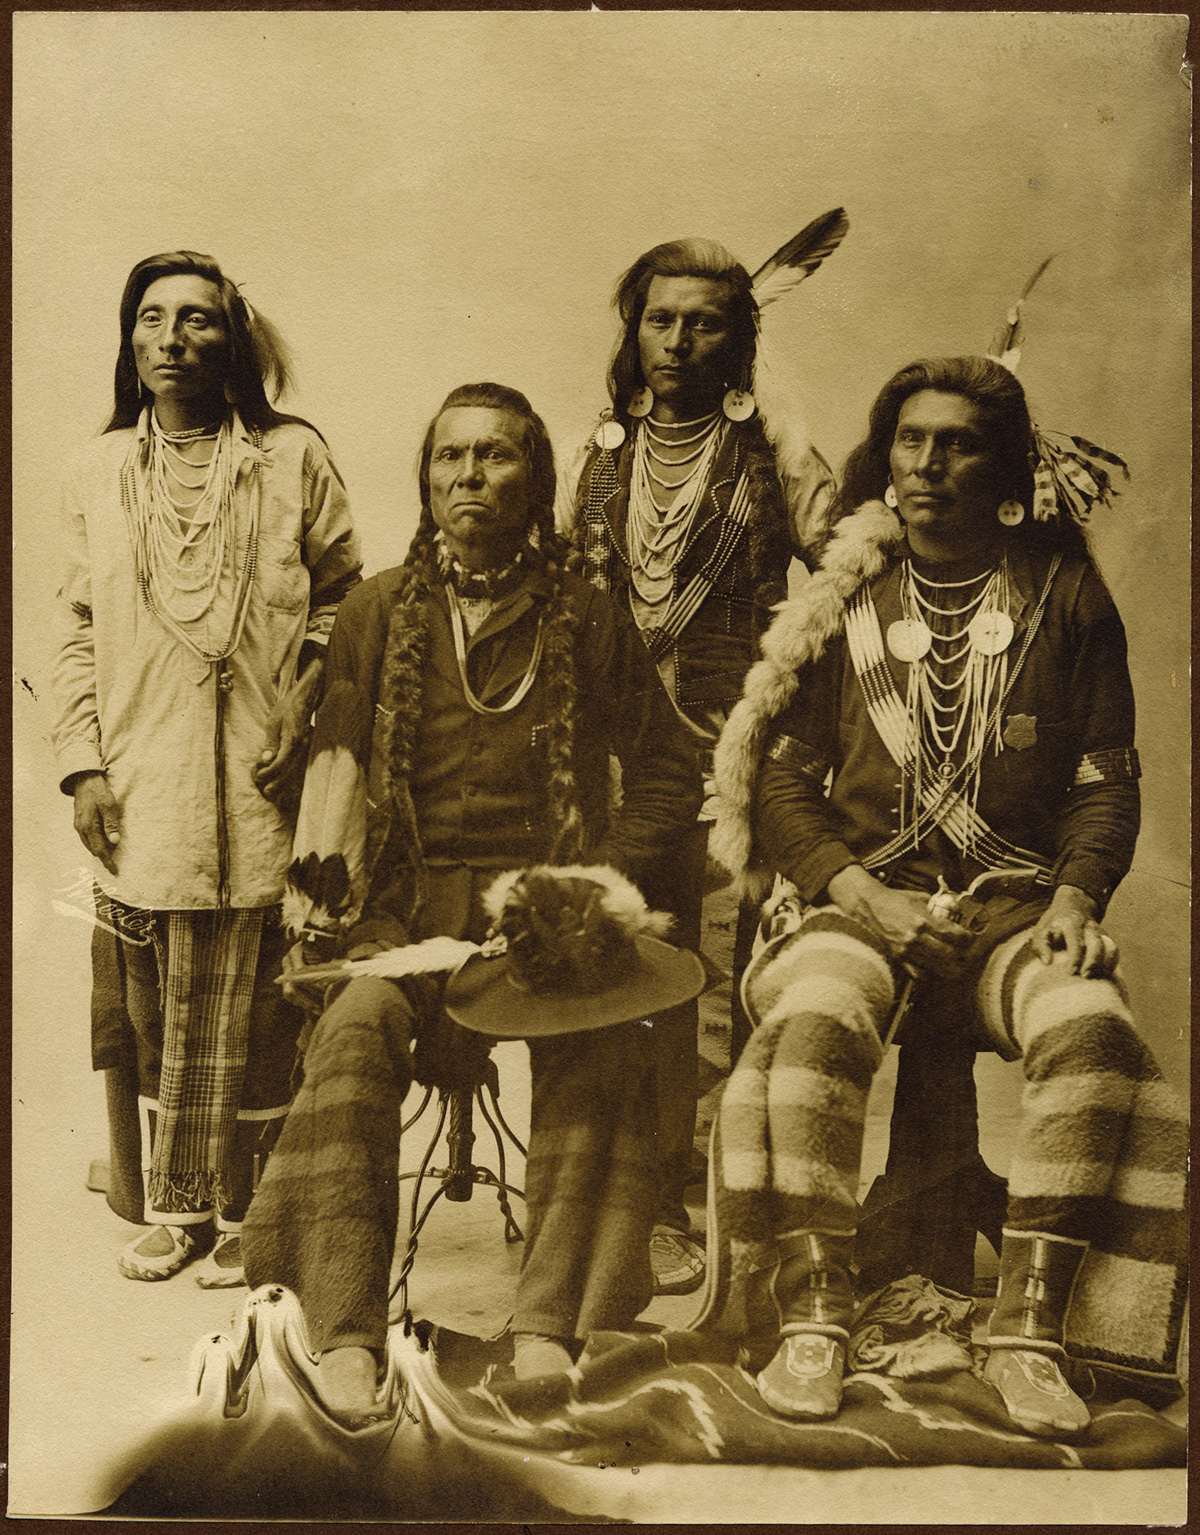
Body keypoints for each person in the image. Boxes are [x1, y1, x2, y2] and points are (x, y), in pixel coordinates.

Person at [706, 356, 1187, 1435]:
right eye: (912, 439)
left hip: (1015, 908)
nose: (930, 463)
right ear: (890, 451)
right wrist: (859, 892)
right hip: (860, 901)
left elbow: (1107, 779)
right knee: (817, 1010)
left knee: (1094, 1027)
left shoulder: (1067, 595)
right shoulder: (841, 598)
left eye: (959, 441)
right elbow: (781, 784)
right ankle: (816, 1312)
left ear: (1005, 462)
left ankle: (1030, 1330)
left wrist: (1075, 901)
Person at [240, 383, 704, 1425]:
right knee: (353, 1029)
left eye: (494, 456)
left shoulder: (584, 613)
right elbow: (336, 768)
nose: (469, 477)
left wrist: (593, 885)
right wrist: (329, 906)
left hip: (544, 920)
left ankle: (549, 1323)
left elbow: (671, 771)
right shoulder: (374, 612)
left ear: (536, 481)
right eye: (449, 458)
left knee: (595, 1046)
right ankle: (345, 1331)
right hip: (401, 913)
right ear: (426, 479)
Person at [51, 250, 362, 1284]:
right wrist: (85, 767)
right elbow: (79, 629)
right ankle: (181, 1206)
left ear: (232, 339)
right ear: (129, 341)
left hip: (268, 772)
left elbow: (342, 596)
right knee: (162, 995)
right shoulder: (97, 471)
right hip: (149, 770)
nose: (172, 338)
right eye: (151, 318)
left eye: (196, 319)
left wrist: (308, 701)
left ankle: (258, 1213)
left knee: (268, 995)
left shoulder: (291, 458)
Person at [561, 229, 842, 1294]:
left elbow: (844, 555)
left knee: (728, 976)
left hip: (743, 754)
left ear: (740, 338)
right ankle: (644, 1192)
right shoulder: (600, 452)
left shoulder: (776, 449)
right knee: (638, 971)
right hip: (627, 763)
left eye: (705, 321)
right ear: (633, 331)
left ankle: (728, 1201)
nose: (677, 340)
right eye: (659, 319)